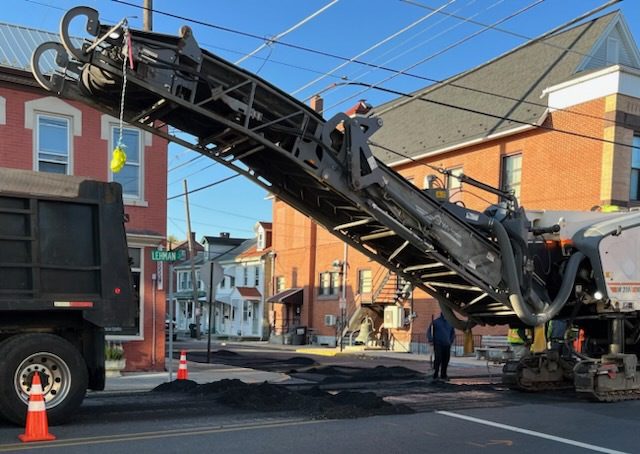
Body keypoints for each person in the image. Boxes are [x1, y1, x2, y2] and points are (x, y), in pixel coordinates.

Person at [428, 313, 455, 380]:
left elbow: (452, 333)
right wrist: (431, 340)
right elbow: (429, 332)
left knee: (446, 360)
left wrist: (450, 341)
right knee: (438, 359)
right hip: (438, 344)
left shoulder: (450, 323)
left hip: (447, 344)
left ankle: (443, 374)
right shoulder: (436, 322)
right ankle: (435, 374)